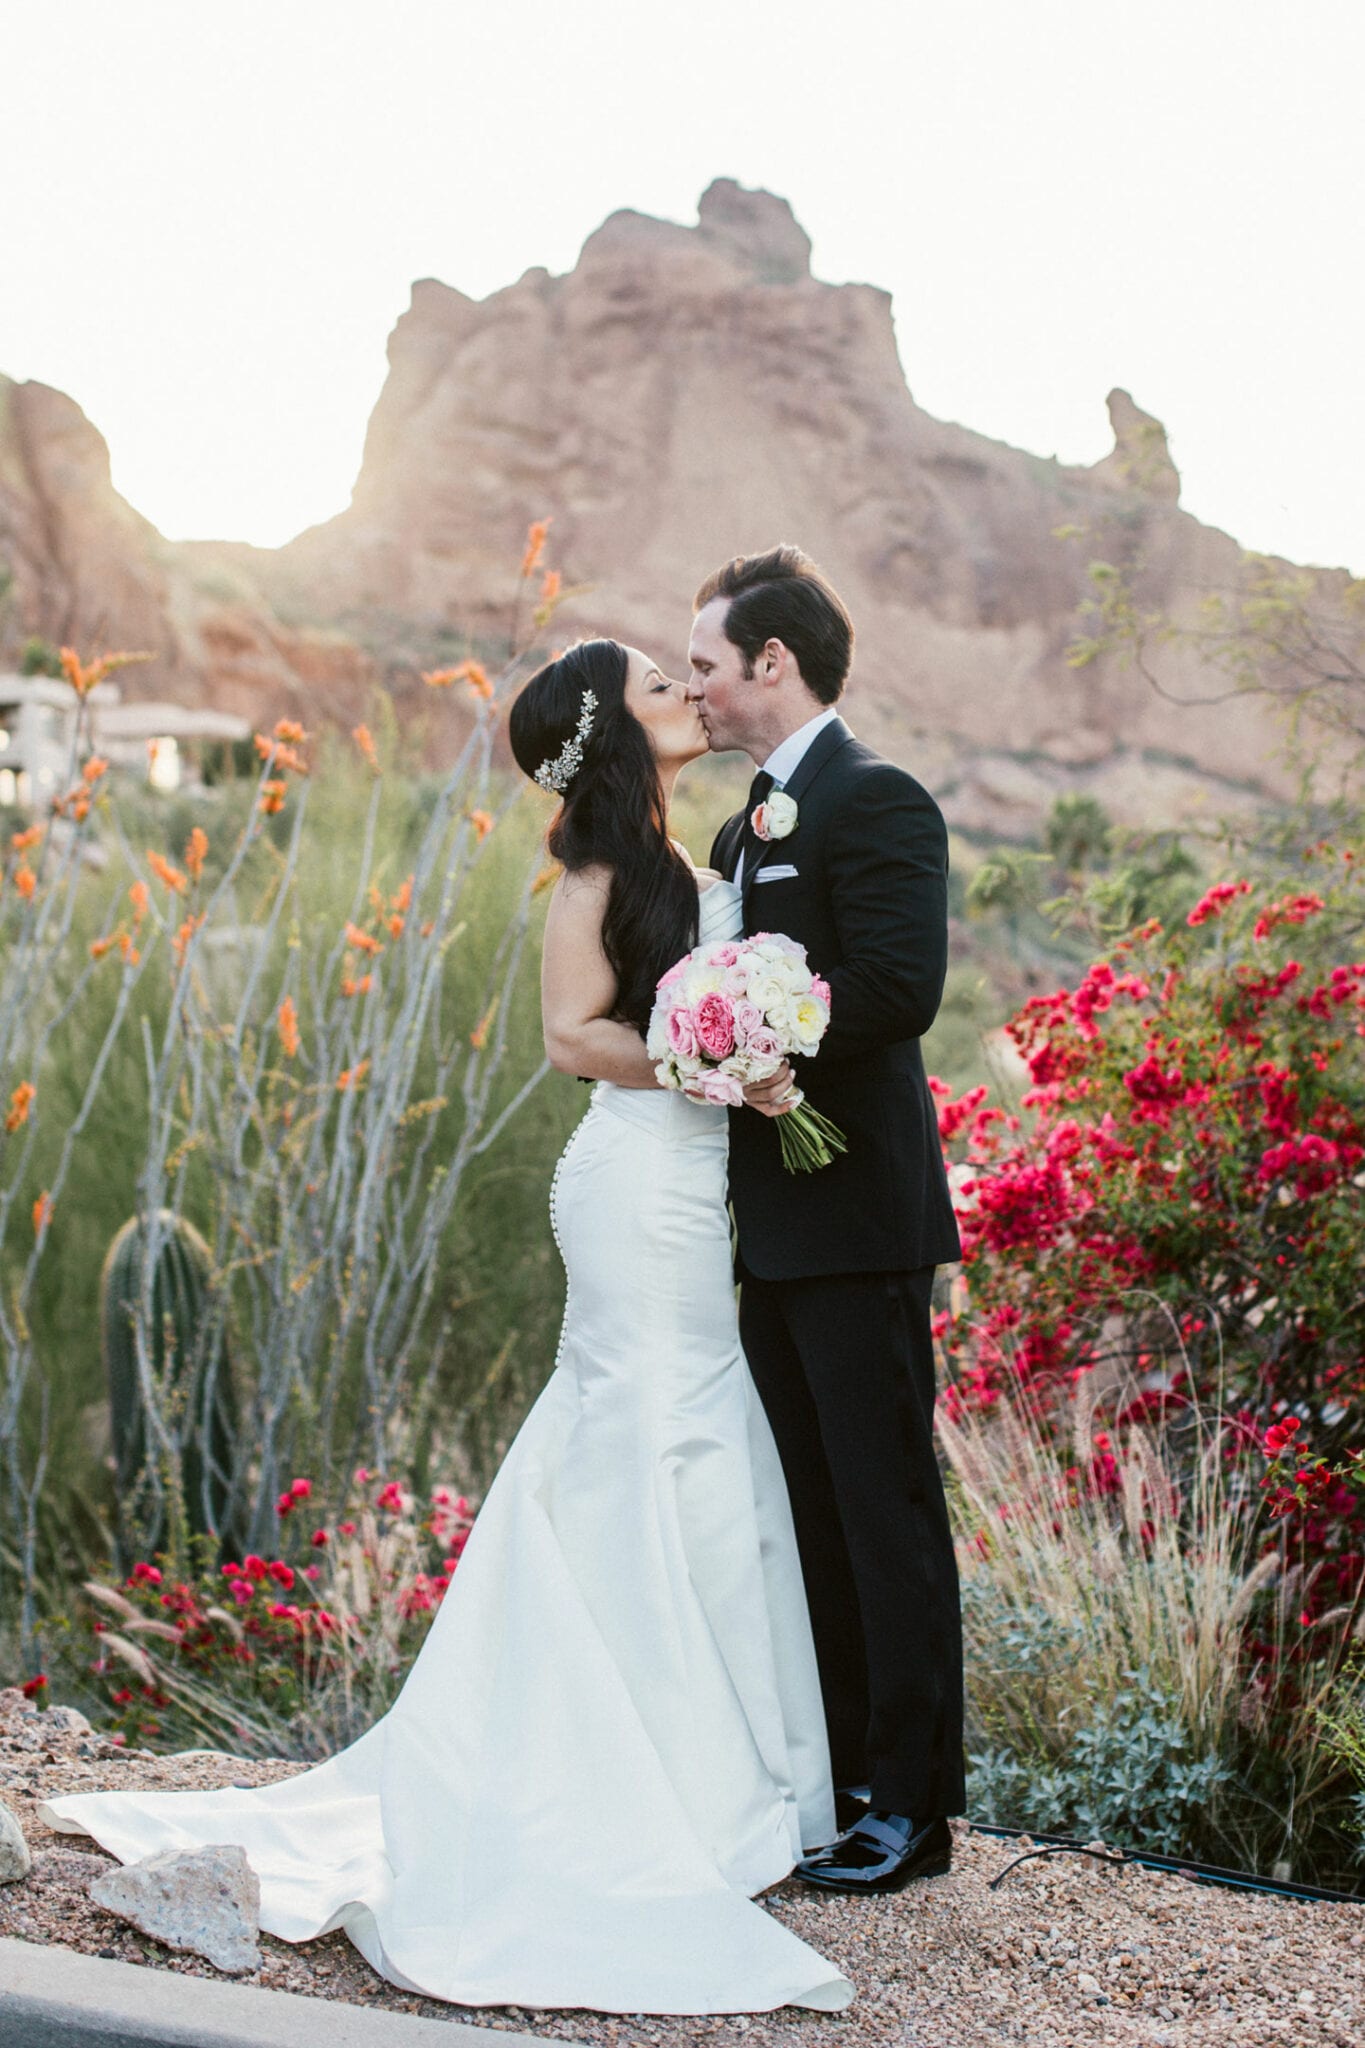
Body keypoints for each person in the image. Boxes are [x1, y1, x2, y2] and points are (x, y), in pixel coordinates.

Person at [41, 638, 854, 2019]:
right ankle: (624, 1771)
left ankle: (713, 1763)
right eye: (659, 684)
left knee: (689, 1433)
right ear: (614, 736)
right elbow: (564, 1037)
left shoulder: (680, 855)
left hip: (691, 1185)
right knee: (649, 1431)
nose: (683, 694)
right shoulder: (597, 876)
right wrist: (701, 1055)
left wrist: (742, 1061)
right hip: (630, 1189)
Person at [688, 545, 966, 1895]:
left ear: (770, 664)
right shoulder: (741, 832)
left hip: (857, 1213)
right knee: (805, 1511)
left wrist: (764, 1031)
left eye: (703, 664)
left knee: (882, 1509)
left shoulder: (875, 799)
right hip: (769, 1222)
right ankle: (841, 1777)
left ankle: (911, 1811)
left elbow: (900, 986)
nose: (691, 686)